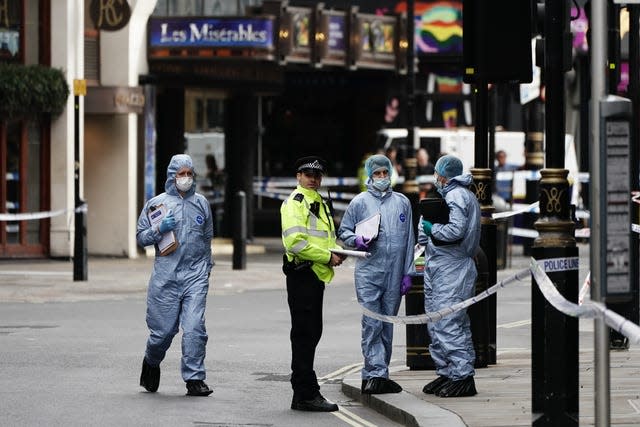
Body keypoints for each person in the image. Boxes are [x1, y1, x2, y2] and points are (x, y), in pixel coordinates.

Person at [136, 154, 214, 397]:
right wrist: (160, 228)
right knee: (163, 333)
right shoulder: (156, 204)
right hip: (166, 277)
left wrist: (205, 268)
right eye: (182, 174)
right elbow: (141, 238)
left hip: (195, 276)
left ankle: (194, 379)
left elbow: (207, 237)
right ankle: (151, 361)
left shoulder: (201, 203)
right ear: (172, 176)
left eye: (190, 173)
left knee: (194, 328)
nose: (186, 178)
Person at [338, 154, 415, 394]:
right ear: (370, 175)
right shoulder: (360, 202)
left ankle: (381, 373)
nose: (381, 177)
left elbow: (410, 238)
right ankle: (373, 373)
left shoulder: (402, 202)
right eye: (377, 173)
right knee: (372, 322)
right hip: (369, 271)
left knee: (387, 323)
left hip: (395, 272)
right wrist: (356, 240)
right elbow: (344, 231)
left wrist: (408, 272)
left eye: (385, 173)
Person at [280, 155, 344, 412]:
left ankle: (304, 393)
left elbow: (323, 238)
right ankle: (305, 394)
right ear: (298, 176)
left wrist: (338, 251)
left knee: (311, 334)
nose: (313, 179)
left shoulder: (317, 200)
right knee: (305, 336)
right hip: (303, 274)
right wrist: (328, 256)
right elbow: (294, 242)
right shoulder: (296, 203)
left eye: (317, 175)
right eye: (308, 174)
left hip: (315, 274)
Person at [418, 154, 481, 398]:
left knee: (447, 321)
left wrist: (432, 229)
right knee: (439, 321)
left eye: (436, 173)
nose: (435, 178)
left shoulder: (456, 195)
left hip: (452, 267)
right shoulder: (452, 195)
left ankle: (462, 375)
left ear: (442, 175)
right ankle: (448, 372)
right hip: (442, 266)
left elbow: (455, 230)